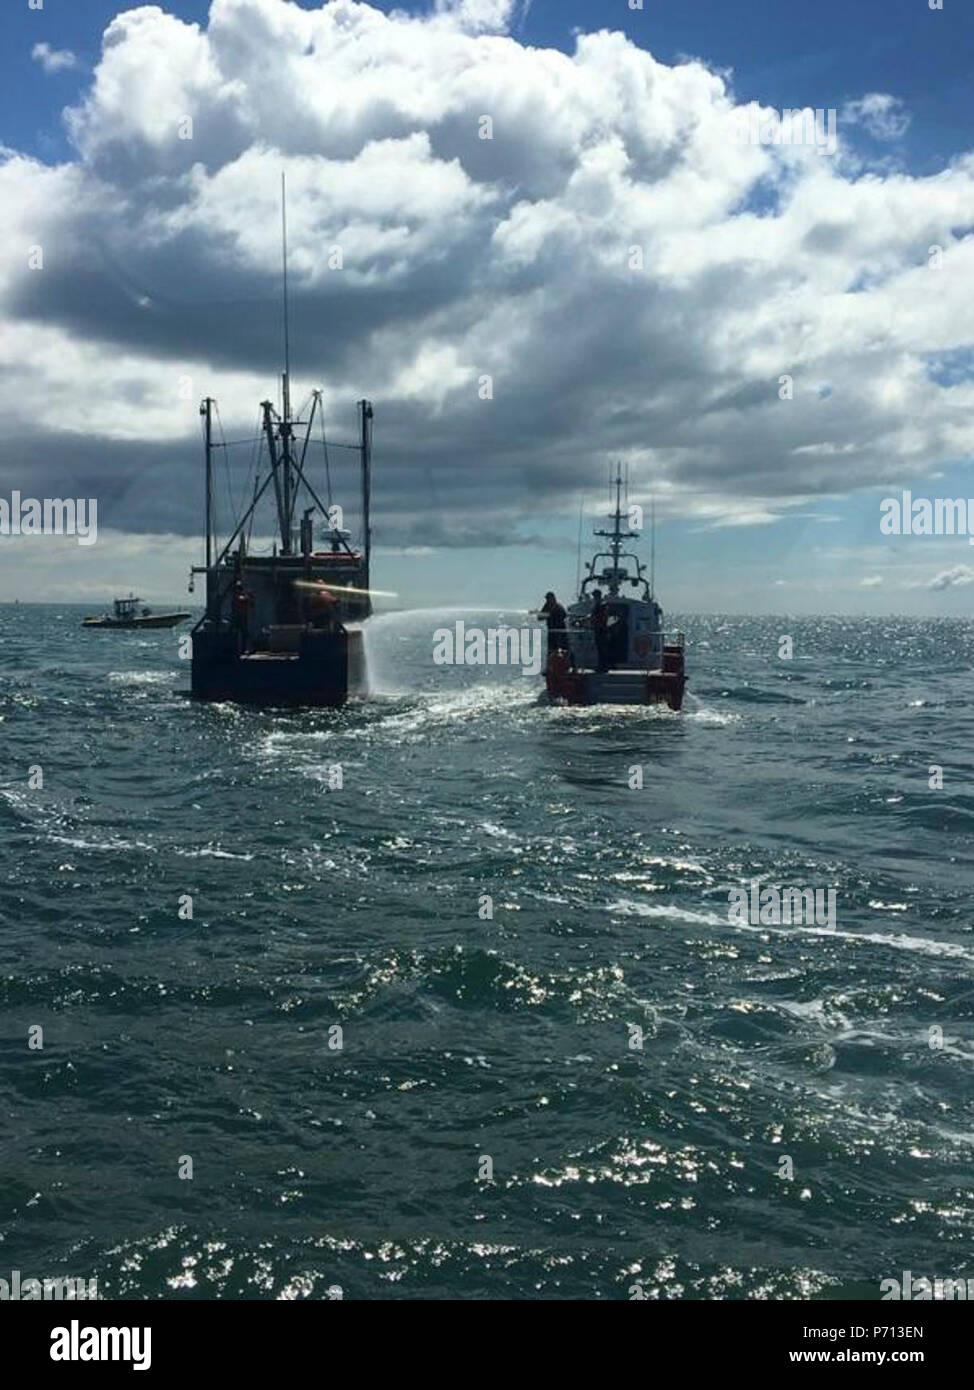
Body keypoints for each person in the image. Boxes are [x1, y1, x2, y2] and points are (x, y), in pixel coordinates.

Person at [590, 588, 610, 672]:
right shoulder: (601, 604)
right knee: (600, 649)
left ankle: (603, 666)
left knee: (602, 649)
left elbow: (601, 617)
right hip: (600, 629)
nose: (594, 597)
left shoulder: (601, 605)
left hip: (601, 629)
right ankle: (601, 666)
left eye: (594, 595)